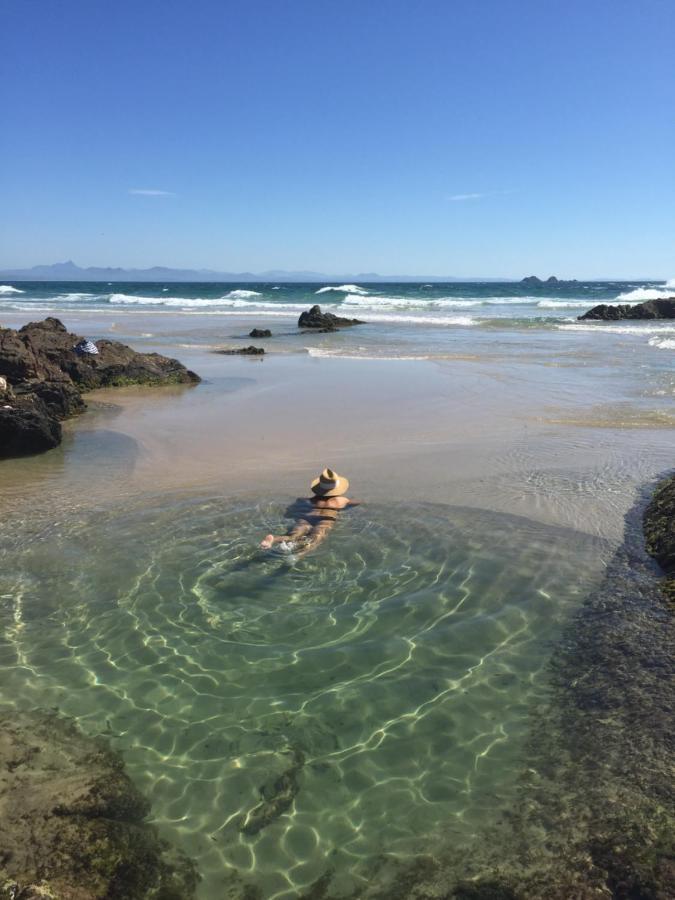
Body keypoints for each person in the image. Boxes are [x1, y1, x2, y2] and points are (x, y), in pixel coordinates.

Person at [260, 468, 360, 559]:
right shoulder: (341, 500)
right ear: (337, 489)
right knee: (314, 540)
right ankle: (297, 556)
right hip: (325, 519)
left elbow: (297, 503)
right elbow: (356, 503)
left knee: (292, 536)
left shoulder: (308, 500)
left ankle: (273, 539)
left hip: (307, 517)